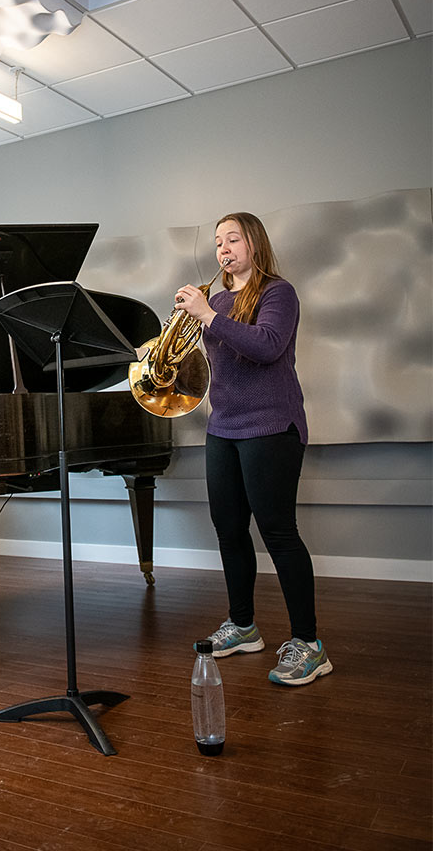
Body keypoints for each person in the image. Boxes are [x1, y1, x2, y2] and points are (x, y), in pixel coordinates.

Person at [175, 212, 332, 686]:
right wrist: (167, 359)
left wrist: (208, 316)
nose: (223, 248)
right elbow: (217, 364)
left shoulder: (277, 293)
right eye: (218, 241)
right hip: (222, 427)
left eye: (233, 239)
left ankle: (309, 644)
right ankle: (243, 626)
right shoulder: (218, 299)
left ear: (254, 243)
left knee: (278, 532)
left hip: (271, 426)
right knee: (228, 529)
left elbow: (265, 346)